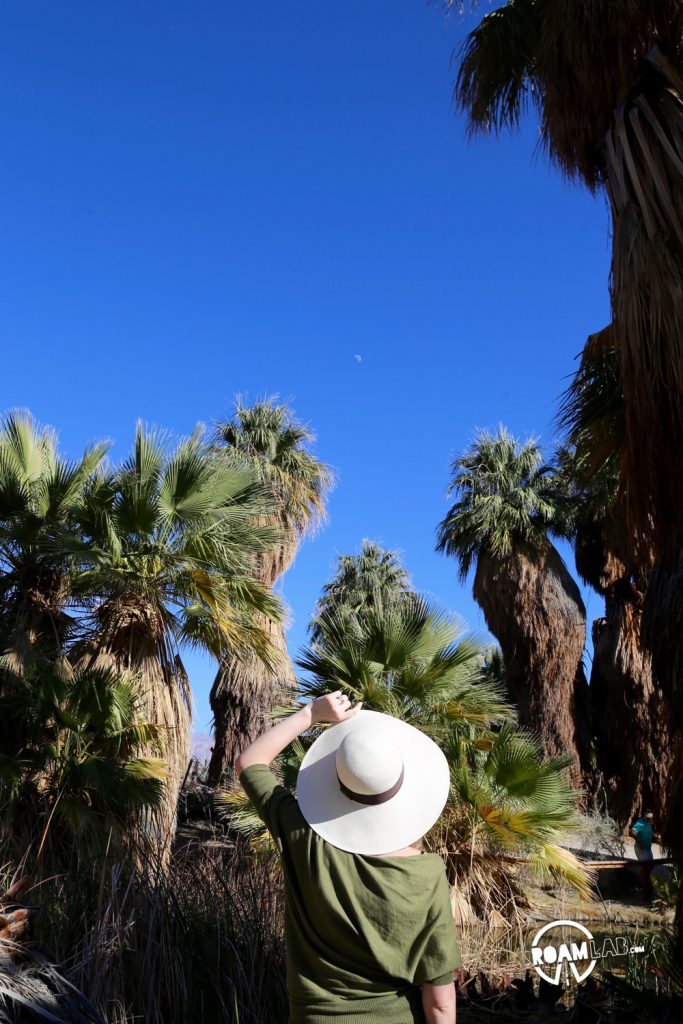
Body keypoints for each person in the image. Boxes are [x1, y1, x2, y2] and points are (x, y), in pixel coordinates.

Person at [236, 689, 461, 1024]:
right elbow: (440, 1001)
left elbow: (249, 763)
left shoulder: (301, 836)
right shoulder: (425, 876)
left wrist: (309, 714)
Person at [629, 810, 658, 900]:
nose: (650, 820)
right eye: (649, 818)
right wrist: (638, 841)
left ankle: (646, 885)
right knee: (646, 867)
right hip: (641, 849)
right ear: (645, 817)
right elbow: (632, 831)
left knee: (650, 867)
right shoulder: (640, 823)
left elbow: (647, 833)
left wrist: (655, 837)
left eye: (651, 818)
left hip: (647, 848)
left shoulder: (648, 823)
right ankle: (646, 890)